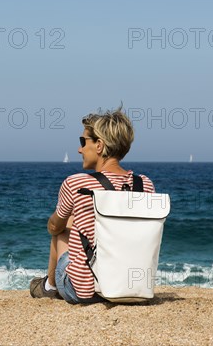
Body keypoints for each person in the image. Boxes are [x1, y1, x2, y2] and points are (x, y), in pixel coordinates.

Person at [29, 106, 155, 303]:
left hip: (85, 292)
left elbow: (53, 227)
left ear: (99, 146)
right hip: (131, 287)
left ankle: (49, 286)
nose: (79, 149)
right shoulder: (145, 184)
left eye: (83, 141)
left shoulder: (77, 183)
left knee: (63, 227)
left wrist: (64, 222)